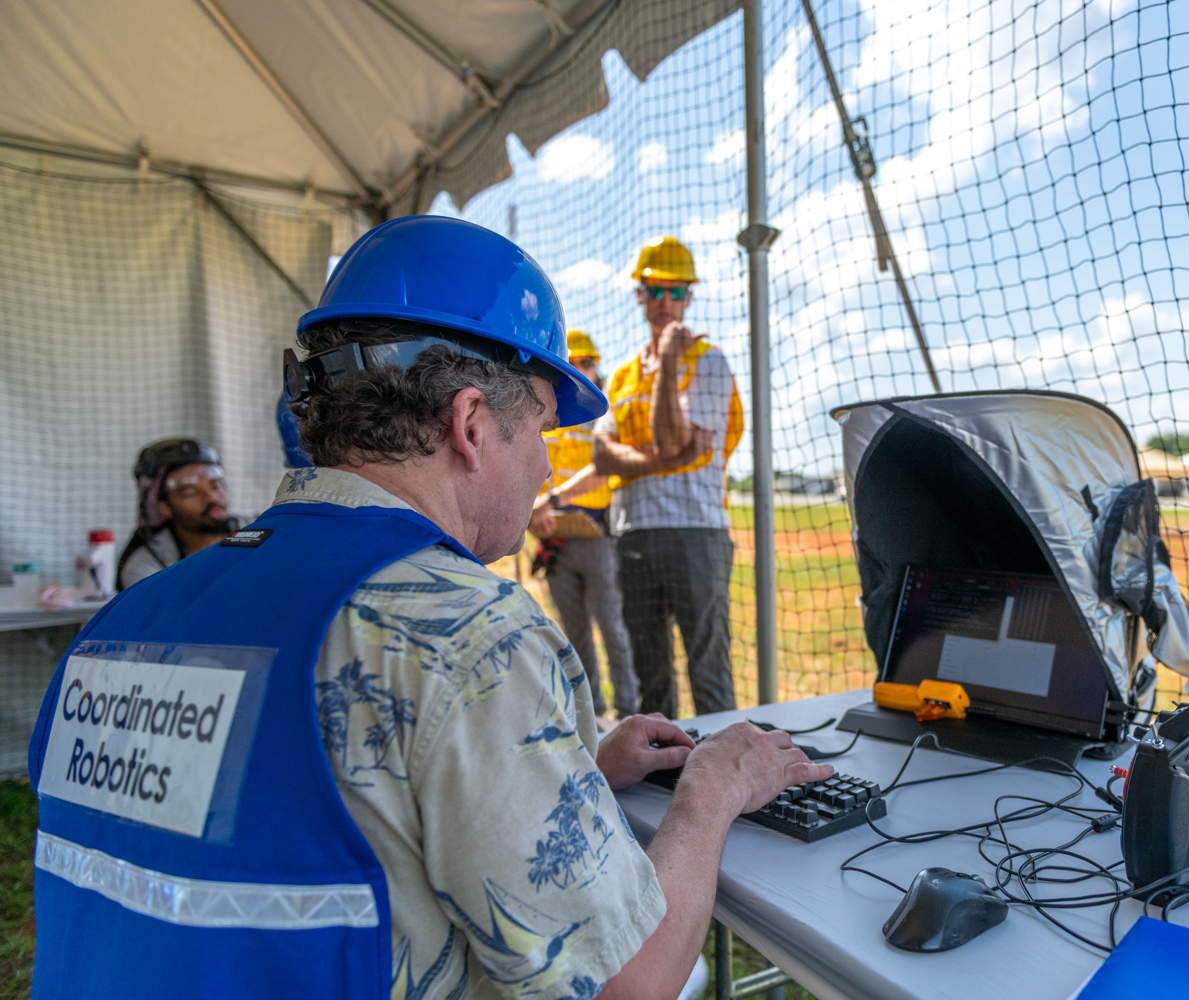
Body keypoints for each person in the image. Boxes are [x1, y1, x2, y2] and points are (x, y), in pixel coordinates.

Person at [28, 215, 828, 1000]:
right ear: (471, 423)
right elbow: (629, 982)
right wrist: (712, 791)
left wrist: (568, 766)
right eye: (543, 428)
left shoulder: (125, 622)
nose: (549, 463)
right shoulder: (467, 634)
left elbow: (270, 818)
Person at [593, 236, 743, 718]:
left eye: (674, 291)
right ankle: (662, 774)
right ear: (639, 294)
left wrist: (671, 361)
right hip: (632, 532)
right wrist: (661, 460)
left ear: (689, 297)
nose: (664, 303)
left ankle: (725, 772)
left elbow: (669, 437)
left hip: (694, 530)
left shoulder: (708, 361)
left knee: (708, 667)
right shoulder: (620, 377)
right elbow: (602, 456)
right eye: (654, 291)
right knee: (648, 670)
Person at [528, 329, 639, 718]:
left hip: (597, 535)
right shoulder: (548, 415)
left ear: (598, 367)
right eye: (572, 364)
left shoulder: (603, 418)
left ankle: (630, 712)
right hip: (554, 536)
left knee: (613, 629)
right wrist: (533, 512)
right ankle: (591, 715)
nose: (579, 370)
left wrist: (551, 500)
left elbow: (601, 472)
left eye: (587, 363)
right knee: (573, 635)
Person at [115, 437, 237, 590]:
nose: (212, 497)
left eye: (215, 485)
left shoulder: (259, 531)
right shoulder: (146, 566)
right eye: (190, 492)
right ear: (164, 507)